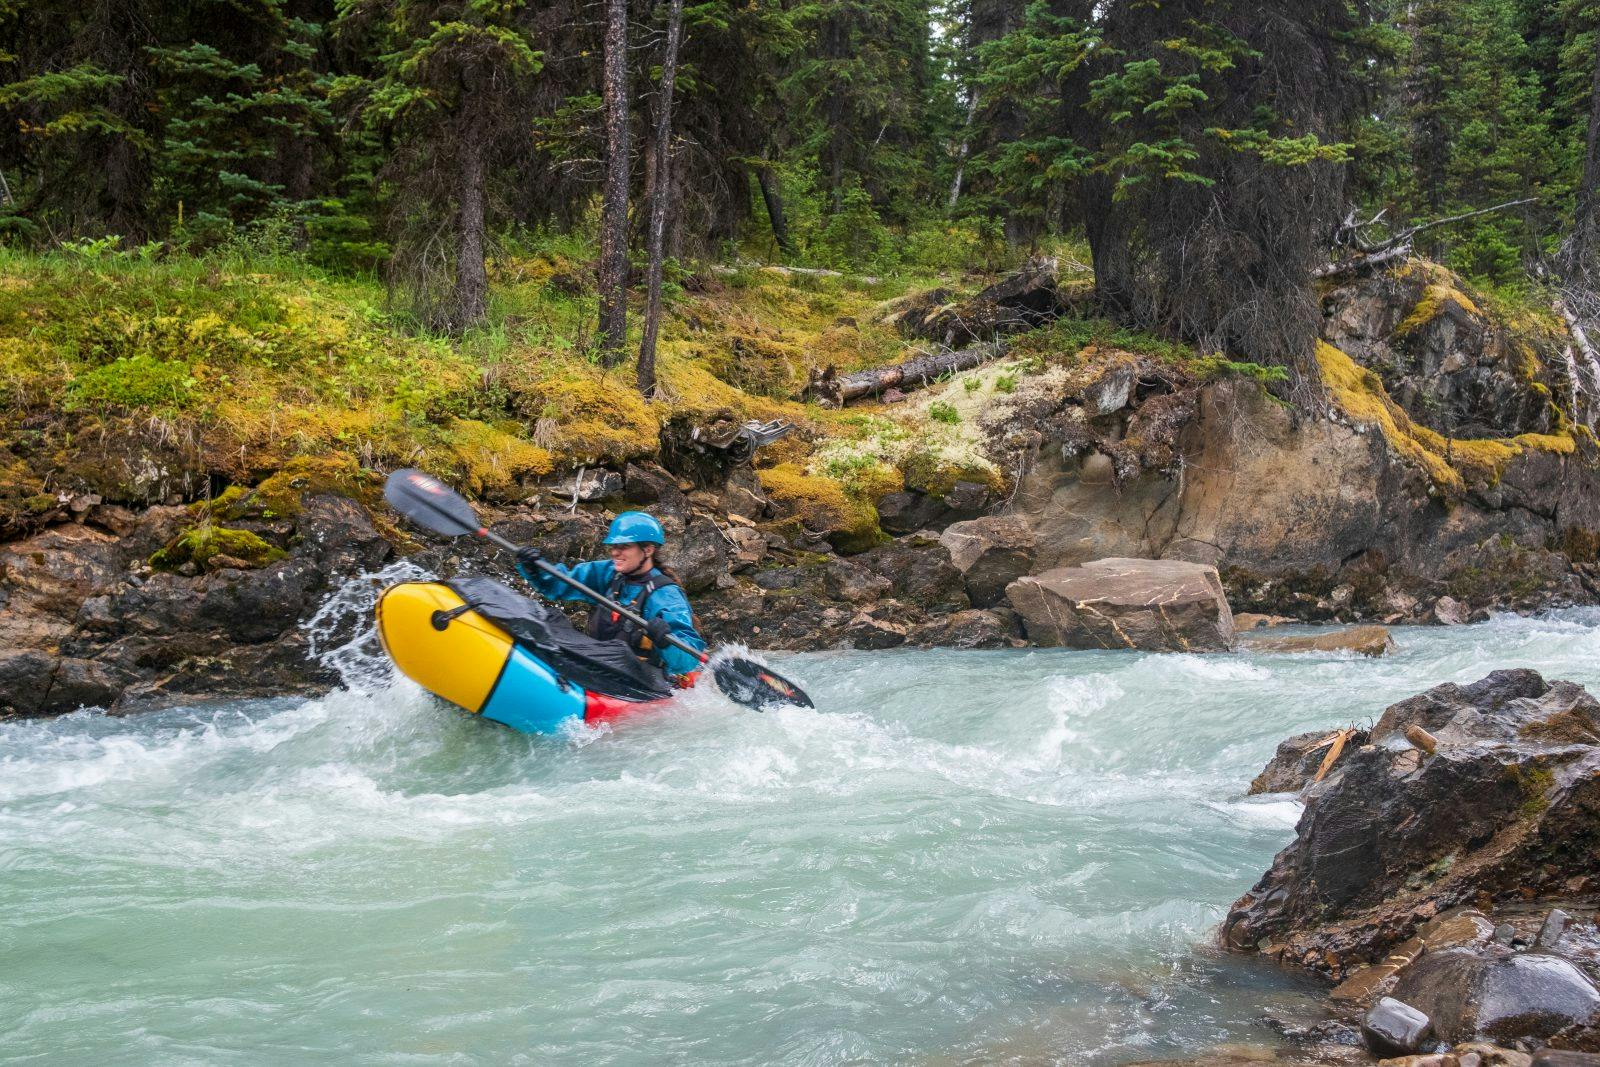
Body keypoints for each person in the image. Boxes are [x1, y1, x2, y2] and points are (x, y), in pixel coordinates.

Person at [515, 511, 707, 687]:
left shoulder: (664, 595)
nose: (615, 552)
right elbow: (560, 584)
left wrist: (665, 641)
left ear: (648, 550)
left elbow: (688, 659)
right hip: (599, 666)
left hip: (639, 683)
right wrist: (534, 570)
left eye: (624, 546)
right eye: (614, 546)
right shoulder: (609, 572)